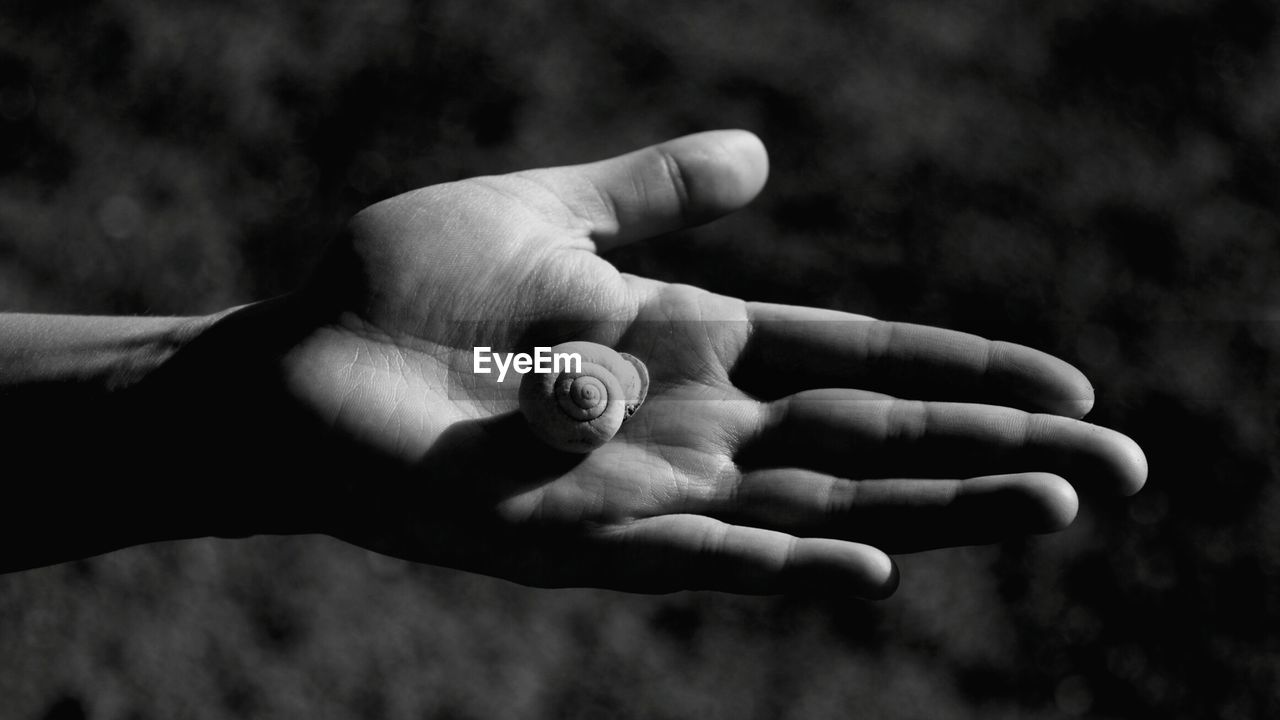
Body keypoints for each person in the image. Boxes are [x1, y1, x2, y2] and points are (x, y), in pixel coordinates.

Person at [0, 130, 1146, 597]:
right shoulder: (546, 378)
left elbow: (539, 383)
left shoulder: (549, 378)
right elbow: (538, 383)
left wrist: (232, 393)